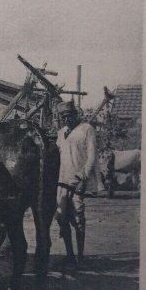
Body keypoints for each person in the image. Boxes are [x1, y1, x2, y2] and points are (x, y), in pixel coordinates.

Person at [54, 99, 100, 269]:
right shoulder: (61, 133)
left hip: (78, 180)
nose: (66, 119)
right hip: (62, 180)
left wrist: (84, 179)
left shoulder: (87, 130)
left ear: (76, 114)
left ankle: (81, 257)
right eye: (63, 117)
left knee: (79, 219)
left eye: (68, 115)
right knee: (61, 218)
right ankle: (70, 256)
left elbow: (92, 156)